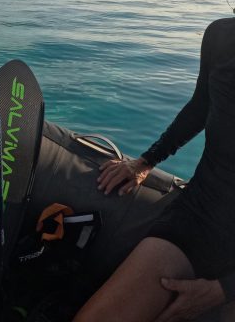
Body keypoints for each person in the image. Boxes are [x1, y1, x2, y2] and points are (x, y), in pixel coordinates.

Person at [74, 16, 235, 322]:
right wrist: (145, 162)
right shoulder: (222, 36)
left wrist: (226, 289)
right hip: (203, 214)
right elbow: (200, 108)